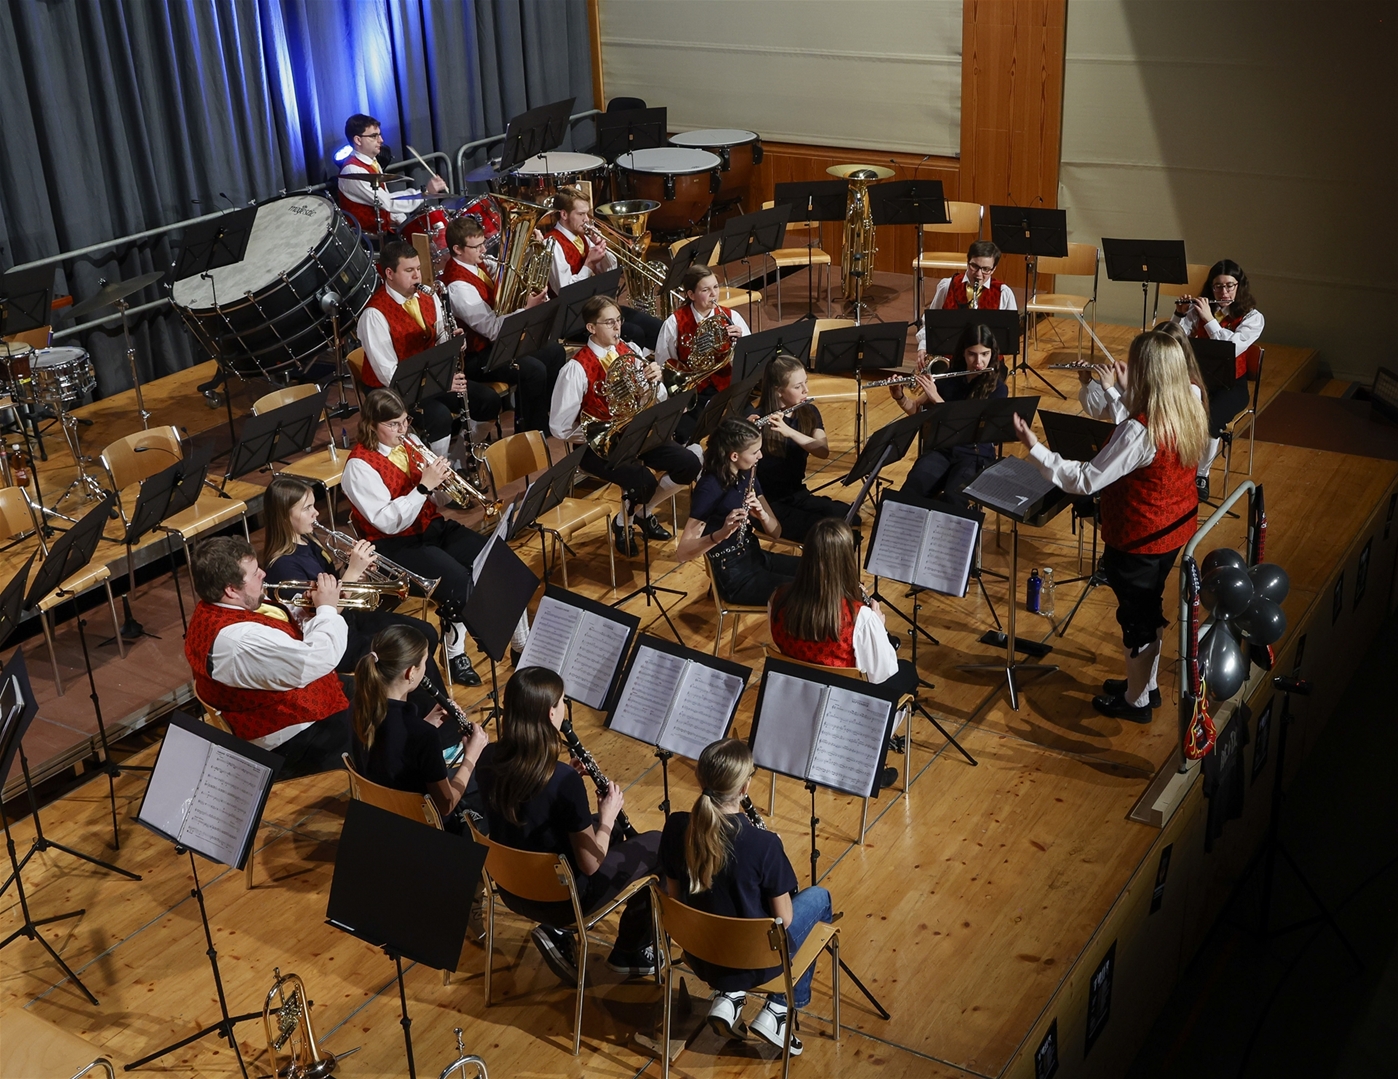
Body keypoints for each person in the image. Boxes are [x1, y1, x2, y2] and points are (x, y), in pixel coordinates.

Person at [1014, 330, 1208, 722]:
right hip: (1175, 528)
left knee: (1137, 620)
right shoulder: (1189, 402)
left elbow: (1085, 479)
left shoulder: (1142, 429)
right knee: (1148, 610)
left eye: (1134, 365)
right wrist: (1115, 390)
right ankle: (1145, 687)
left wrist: (1035, 448)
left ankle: (1137, 703)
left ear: (1147, 372)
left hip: (1140, 538)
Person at [473, 666, 661, 981]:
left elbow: (532, 808)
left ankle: (557, 933)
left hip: (511, 887)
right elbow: (590, 864)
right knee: (656, 844)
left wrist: (575, 788)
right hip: (561, 901)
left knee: (610, 829)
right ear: (551, 714)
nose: (564, 708)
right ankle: (630, 950)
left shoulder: (488, 757)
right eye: (562, 702)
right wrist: (608, 814)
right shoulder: (562, 780)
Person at [659, 739, 832, 1054]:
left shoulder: (675, 827)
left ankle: (729, 996)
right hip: (754, 963)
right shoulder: (763, 845)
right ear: (744, 787)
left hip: (701, 955)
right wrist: (772, 856)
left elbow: (675, 897)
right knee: (820, 897)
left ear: (700, 778)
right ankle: (779, 1009)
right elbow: (783, 920)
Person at [341, 388, 505, 687]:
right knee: (459, 584)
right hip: (393, 545)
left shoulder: (413, 443)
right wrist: (423, 488)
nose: (402, 430)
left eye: (405, 421)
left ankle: (515, 638)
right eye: (393, 424)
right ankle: (456, 655)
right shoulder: (359, 467)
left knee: (494, 558)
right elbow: (388, 523)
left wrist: (447, 484)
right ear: (372, 425)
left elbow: (437, 501)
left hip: (431, 527)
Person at [261, 474, 446, 713]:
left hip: (350, 619)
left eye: (314, 506)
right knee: (409, 652)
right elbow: (323, 616)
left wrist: (350, 569)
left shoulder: (308, 540)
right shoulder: (283, 566)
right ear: (284, 516)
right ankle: (430, 717)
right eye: (307, 508)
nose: (316, 513)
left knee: (425, 632)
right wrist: (352, 573)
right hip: (335, 640)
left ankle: (418, 708)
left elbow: (331, 584)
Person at [184, 536, 351, 778]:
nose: (263, 573)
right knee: (384, 725)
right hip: (292, 741)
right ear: (231, 590)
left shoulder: (215, 608)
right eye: (254, 574)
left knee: (380, 687)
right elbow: (318, 659)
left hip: (292, 701)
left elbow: (278, 630)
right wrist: (327, 609)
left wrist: (309, 610)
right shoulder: (241, 642)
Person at [549, 295, 701, 555]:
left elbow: (653, 399)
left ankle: (636, 514)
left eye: (619, 320)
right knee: (642, 481)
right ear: (591, 327)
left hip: (636, 433)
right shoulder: (575, 369)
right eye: (609, 322)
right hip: (595, 447)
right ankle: (626, 525)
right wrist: (602, 431)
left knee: (689, 464)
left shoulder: (629, 350)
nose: (617, 327)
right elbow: (559, 427)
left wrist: (655, 382)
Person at [356, 240, 498, 454]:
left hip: (431, 378)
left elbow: (440, 342)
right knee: (438, 416)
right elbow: (391, 377)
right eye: (409, 271)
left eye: (418, 269)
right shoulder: (374, 315)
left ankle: (459, 459)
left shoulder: (429, 297)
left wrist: (453, 343)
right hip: (391, 390)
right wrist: (440, 384)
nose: (417, 276)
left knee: (488, 401)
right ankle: (438, 472)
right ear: (389, 273)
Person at [351, 624, 488, 832]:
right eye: (424, 663)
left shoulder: (358, 708)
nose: (426, 670)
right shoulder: (424, 736)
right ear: (410, 673)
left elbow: (392, 751)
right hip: (421, 829)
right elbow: (445, 806)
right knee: (487, 784)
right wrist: (471, 756)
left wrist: (428, 722)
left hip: (380, 817)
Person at [441, 216, 568, 434]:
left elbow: (508, 272)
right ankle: (530, 431)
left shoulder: (475, 263)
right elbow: (491, 330)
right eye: (476, 246)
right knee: (533, 370)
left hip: (497, 345)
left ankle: (546, 416)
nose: (483, 250)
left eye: (483, 243)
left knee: (554, 352)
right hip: (477, 356)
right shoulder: (458, 287)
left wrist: (532, 252)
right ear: (457, 249)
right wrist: (527, 309)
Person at [769, 518, 916, 699]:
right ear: (846, 560)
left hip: (796, 691)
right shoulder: (861, 618)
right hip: (842, 702)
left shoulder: (777, 597)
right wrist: (878, 626)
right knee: (908, 671)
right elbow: (881, 674)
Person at [675, 418, 798, 607]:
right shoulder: (709, 489)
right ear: (734, 456)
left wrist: (763, 516)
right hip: (735, 576)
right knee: (807, 592)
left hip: (756, 557)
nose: (760, 456)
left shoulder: (747, 473)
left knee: (822, 570)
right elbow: (683, 553)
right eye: (754, 452)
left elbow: (776, 532)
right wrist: (721, 534)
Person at [1172, 259, 1264, 498]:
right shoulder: (1198, 310)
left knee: (1209, 421)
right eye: (1218, 287)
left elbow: (1231, 348)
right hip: (1199, 381)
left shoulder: (1253, 317)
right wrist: (1179, 314)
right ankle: (1177, 468)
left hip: (1231, 386)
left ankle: (1201, 475)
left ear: (1239, 286)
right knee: (1175, 413)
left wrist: (1209, 320)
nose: (1224, 292)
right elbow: (1172, 339)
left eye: (1229, 286)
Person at [894, 323, 1008, 508]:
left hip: (975, 454)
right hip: (943, 450)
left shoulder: (998, 389)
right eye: (972, 354)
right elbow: (916, 410)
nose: (978, 362)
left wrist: (938, 399)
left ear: (992, 354)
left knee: (954, 499)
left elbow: (975, 430)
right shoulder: (949, 378)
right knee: (912, 490)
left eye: (984, 354)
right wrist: (899, 396)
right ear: (963, 352)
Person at [543, 187, 662, 350]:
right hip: (573, 320)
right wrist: (588, 265)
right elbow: (565, 291)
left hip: (598, 308)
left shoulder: (582, 236)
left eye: (587, 213)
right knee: (635, 333)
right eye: (581, 214)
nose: (586, 219)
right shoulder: (552, 243)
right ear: (564, 214)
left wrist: (600, 246)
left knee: (656, 327)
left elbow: (609, 272)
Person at [746, 353, 848, 541]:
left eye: (806, 383)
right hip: (769, 505)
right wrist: (746, 435)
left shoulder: (808, 413)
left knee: (849, 516)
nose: (805, 390)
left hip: (798, 495)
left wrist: (789, 431)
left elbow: (822, 451)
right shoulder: (758, 419)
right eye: (797, 386)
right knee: (826, 532)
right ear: (778, 391)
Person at [655, 264, 750, 440]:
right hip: (695, 393)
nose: (714, 294)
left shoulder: (732, 317)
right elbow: (665, 365)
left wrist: (740, 343)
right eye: (706, 290)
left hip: (727, 387)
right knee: (686, 436)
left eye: (716, 287)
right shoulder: (674, 323)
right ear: (691, 295)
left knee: (749, 425)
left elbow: (747, 362)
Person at [336, 114, 446, 234]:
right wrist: (425, 193)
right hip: (366, 239)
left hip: (383, 231)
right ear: (358, 140)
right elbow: (387, 202)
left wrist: (405, 224)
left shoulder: (372, 162)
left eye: (379, 135)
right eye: (374, 136)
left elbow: (386, 204)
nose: (381, 140)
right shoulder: (352, 171)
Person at [914, 240, 1017, 364]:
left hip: (986, 363)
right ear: (967, 262)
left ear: (993, 269)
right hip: (951, 360)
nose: (978, 274)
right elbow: (930, 322)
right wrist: (923, 346)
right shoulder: (947, 286)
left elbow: (1010, 335)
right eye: (974, 266)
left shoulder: (1003, 293)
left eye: (985, 269)